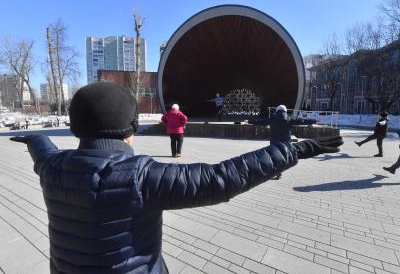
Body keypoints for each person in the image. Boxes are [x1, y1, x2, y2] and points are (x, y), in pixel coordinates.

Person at [10, 82, 343, 274]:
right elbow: (219, 180)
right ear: (130, 131)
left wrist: (33, 138)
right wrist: (291, 151)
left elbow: (43, 149)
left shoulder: (54, 168)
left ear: (75, 128)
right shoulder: (139, 177)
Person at [247, 104, 317, 179]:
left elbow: (261, 122)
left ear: (277, 111)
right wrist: (314, 121)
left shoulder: (272, 119)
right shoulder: (289, 119)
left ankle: (274, 171)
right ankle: (279, 172)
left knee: (273, 157)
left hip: (274, 142)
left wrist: (249, 121)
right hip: (285, 143)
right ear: (285, 111)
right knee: (282, 157)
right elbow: (301, 121)